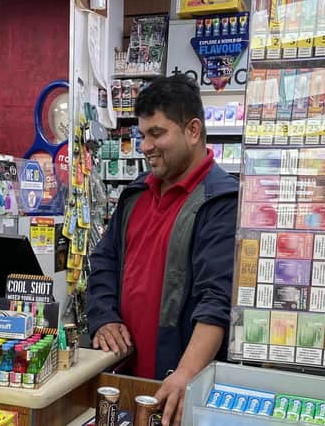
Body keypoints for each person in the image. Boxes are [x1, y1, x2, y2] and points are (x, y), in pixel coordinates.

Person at [86, 74, 239, 426]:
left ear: (193, 130)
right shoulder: (135, 194)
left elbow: (216, 301)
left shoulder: (221, 202)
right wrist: (103, 315)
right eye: (142, 135)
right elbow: (104, 259)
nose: (145, 146)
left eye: (157, 133)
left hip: (173, 387)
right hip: (121, 379)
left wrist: (186, 374)